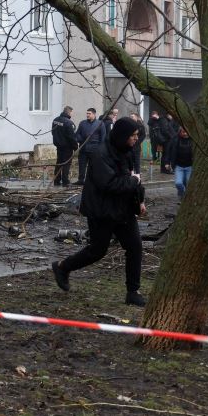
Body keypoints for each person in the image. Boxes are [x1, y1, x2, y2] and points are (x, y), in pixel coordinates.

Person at [51, 118, 148, 306]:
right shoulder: (100, 154)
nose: (136, 139)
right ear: (122, 136)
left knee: (135, 247)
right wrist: (134, 182)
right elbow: (110, 184)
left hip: (124, 210)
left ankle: (133, 292)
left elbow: (133, 177)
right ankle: (62, 267)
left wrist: (140, 200)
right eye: (133, 136)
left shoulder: (127, 151)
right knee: (97, 250)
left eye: (137, 135)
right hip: (102, 211)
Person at [74, 108, 105, 185]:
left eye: (89, 113)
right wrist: (80, 139)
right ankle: (81, 180)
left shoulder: (100, 123)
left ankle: (93, 180)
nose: (87, 115)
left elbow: (103, 137)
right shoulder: (82, 123)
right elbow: (77, 134)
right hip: (83, 148)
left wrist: (100, 149)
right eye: (87, 113)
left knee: (94, 166)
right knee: (82, 165)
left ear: (94, 114)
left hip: (94, 149)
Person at [50, 105, 78, 186]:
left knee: (59, 163)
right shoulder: (69, 123)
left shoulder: (55, 120)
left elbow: (53, 132)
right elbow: (71, 137)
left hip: (58, 146)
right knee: (66, 164)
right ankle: (65, 181)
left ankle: (56, 181)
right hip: (67, 147)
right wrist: (75, 147)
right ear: (69, 112)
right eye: (72, 112)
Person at [169, 124, 194, 200]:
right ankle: (183, 195)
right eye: (183, 132)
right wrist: (167, 162)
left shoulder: (193, 140)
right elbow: (169, 151)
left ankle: (183, 198)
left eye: (186, 132)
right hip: (179, 166)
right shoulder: (176, 139)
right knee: (178, 183)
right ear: (180, 132)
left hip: (189, 166)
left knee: (187, 182)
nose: (185, 134)